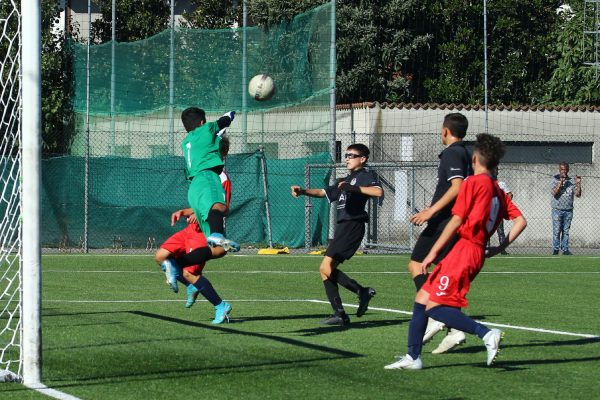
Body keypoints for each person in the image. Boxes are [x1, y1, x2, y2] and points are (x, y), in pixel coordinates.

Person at [384, 133, 527, 370]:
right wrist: (499, 247)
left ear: (476, 158)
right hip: (474, 251)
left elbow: (456, 220)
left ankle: (486, 333)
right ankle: (413, 357)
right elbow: (520, 221)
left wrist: (431, 253)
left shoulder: (473, 183)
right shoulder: (498, 191)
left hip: (464, 251)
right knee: (422, 300)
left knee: (436, 307)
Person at [290, 144, 383, 326]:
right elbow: (323, 192)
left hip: (353, 225)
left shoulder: (365, 175)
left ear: (363, 159)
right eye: (346, 155)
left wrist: (354, 189)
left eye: (351, 155)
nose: (347, 158)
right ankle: (341, 312)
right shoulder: (345, 180)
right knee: (325, 270)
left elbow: (378, 191)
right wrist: (302, 191)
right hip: (344, 227)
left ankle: (357, 295)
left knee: (326, 267)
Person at [408, 113, 473, 354]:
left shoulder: (452, 152)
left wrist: (431, 211)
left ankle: (438, 315)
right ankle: (454, 328)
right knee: (441, 272)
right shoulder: (467, 152)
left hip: (444, 220)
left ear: (445, 130)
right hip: (453, 219)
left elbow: (457, 187)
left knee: (417, 265)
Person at [156, 137, 233, 324]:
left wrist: (199, 215)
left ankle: (220, 306)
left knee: (188, 272)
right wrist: (185, 211)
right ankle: (192, 286)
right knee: (161, 256)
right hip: (189, 230)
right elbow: (201, 203)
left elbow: (221, 207)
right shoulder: (202, 173)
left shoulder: (221, 178)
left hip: (202, 233)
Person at [162, 109, 239, 294]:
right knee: (219, 206)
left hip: (194, 187)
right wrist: (232, 113)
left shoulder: (186, 141)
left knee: (218, 251)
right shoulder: (206, 130)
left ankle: (175, 264)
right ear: (202, 122)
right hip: (207, 177)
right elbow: (224, 121)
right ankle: (216, 234)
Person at [550, 162, 581, 255]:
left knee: (566, 231)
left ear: (568, 170)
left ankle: (565, 250)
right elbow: (554, 193)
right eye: (562, 169)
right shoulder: (554, 179)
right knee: (556, 230)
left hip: (568, 210)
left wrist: (578, 184)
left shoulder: (571, 181)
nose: (564, 171)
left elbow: (578, 194)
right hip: (557, 209)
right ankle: (555, 250)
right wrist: (561, 182)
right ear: (559, 170)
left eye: (565, 169)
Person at [492, 167, 513, 255]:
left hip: (498, 212)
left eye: (496, 170)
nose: (495, 172)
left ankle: (503, 250)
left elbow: (510, 194)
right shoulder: (484, 182)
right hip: (486, 211)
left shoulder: (501, 184)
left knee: (500, 231)